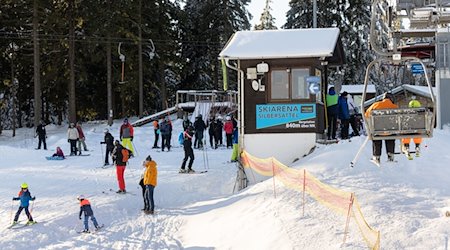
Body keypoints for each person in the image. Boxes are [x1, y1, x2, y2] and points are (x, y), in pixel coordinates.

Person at [365, 92, 399, 164]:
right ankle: (390, 156)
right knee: (390, 137)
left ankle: (376, 156)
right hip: (390, 132)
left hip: (378, 131)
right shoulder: (394, 107)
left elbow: (367, 114)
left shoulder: (375, 105)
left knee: (376, 139)